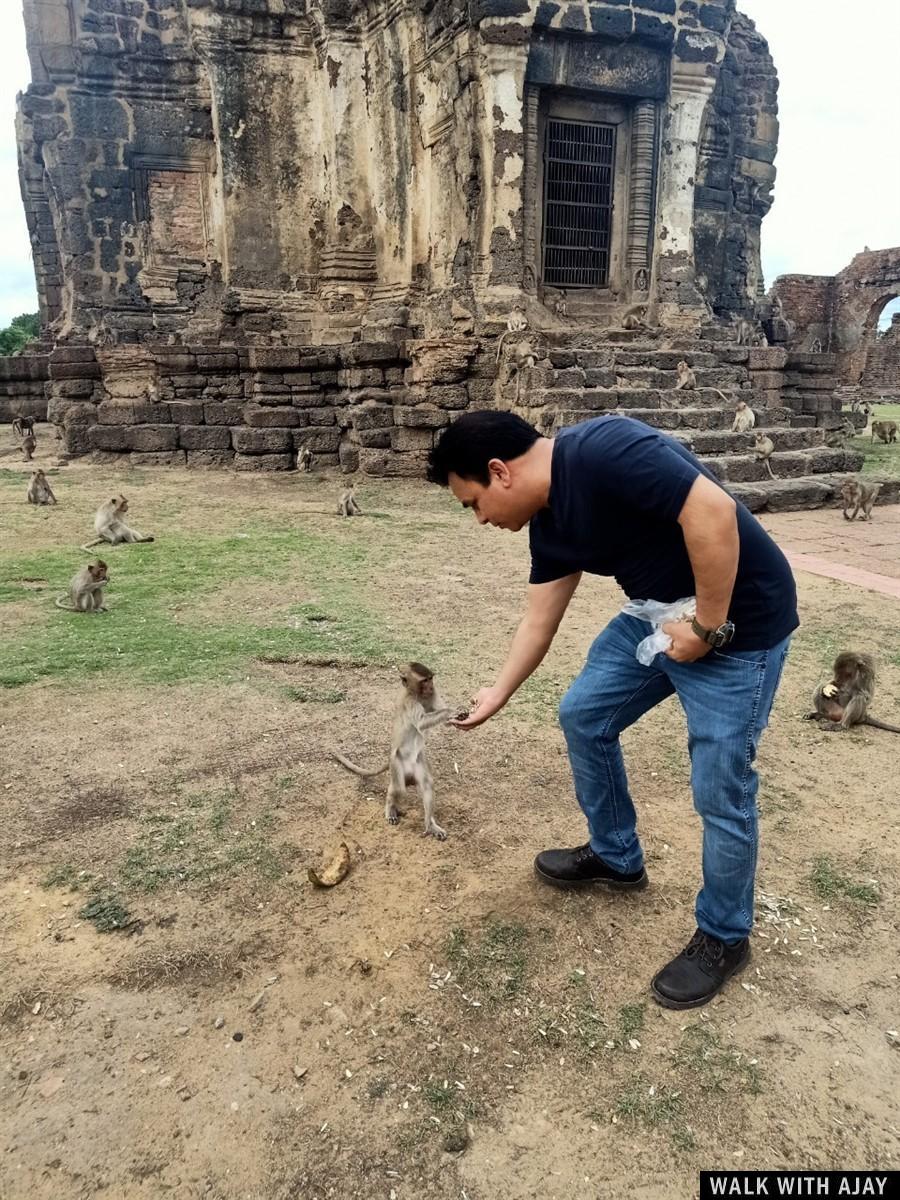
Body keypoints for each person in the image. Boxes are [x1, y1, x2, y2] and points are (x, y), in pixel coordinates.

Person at [427, 411, 797, 1010]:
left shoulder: (604, 449)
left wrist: (707, 626)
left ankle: (726, 935)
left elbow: (713, 512)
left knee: (720, 788)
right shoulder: (548, 525)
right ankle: (617, 856)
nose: (480, 519)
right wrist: (498, 692)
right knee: (583, 715)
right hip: (656, 615)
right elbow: (538, 620)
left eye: (472, 503)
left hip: (739, 622)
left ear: (499, 473)